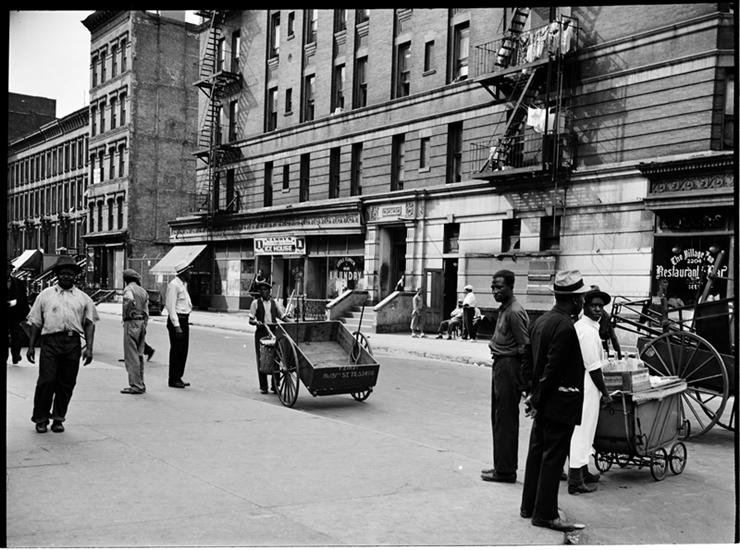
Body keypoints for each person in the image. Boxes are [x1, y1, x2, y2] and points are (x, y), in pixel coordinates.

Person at [520, 270, 588, 532]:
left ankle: (529, 506)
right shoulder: (565, 327)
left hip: (544, 401)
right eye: (581, 297)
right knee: (552, 459)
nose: (583, 301)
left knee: (537, 453)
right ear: (574, 299)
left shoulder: (541, 321)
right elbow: (553, 368)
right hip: (558, 403)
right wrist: (537, 399)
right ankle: (545, 514)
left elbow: (527, 359)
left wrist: (530, 394)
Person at [25, 256, 99, 434]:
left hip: (72, 343)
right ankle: (41, 419)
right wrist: (31, 346)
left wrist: (89, 348)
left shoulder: (83, 298)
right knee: (47, 381)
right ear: (57, 275)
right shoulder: (45, 295)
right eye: (63, 273)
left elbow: (89, 324)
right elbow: (36, 322)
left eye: (70, 274)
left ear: (75, 276)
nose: (66, 276)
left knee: (66, 383)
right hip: (50, 342)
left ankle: (58, 418)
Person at [482, 270, 531, 484]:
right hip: (501, 364)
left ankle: (505, 471)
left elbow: (525, 346)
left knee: (505, 419)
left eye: (499, 287)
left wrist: (525, 380)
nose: (495, 291)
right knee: (499, 418)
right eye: (493, 287)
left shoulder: (514, 312)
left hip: (510, 366)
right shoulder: (504, 309)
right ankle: (501, 466)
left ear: (511, 287)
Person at [568, 286, 613, 494]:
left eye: (601, 307)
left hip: (587, 386)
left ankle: (583, 470)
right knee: (582, 431)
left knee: (587, 431)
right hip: (586, 386)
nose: (598, 310)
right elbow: (593, 367)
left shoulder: (590, 327)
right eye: (594, 306)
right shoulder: (585, 330)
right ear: (584, 307)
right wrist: (605, 393)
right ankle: (575, 479)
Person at [249, 281, 289, 394]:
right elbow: (250, 320)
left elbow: (282, 316)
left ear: (269, 291)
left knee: (276, 358)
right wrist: (256, 322)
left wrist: (292, 322)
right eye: (261, 290)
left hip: (273, 332)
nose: (263, 292)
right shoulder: (255, 303)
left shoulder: (274, 303)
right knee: (262, 359)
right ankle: (263, 387)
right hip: (261, 333)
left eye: (265, 290)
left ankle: (275, 385)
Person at [120, 268, 149, 395]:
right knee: (139, 354)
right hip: (141, 322)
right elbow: (146, 311)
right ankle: (141, 383)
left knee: (131, 355)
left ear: (125, 280)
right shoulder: (142, 291)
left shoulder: (128, 289)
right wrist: (144, 324)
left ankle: (136, 385)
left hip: (131, 322)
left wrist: (127, 313)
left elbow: (129, 300)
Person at [165, 263, 193, 389]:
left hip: (184, 319)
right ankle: (173, 378)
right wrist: (176, 325)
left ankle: (178, 376)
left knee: (183, 350)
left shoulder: (182, 285)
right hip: (178, 320)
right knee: (177, 350)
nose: (190, 274)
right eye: (188, 272)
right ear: (183, 273)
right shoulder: (174, 285)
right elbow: (171, 307)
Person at [7, 259, 30, 365]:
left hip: (15, 314)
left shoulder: (18, 283)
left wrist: (25, 314)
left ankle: (16, 355)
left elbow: (23, 298)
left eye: (8, 269)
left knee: (16, 336)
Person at [590, 285, 622, 359]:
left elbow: (613, 338)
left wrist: (619, 357)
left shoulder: (606, 317)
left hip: (602, 351)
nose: (597, 309)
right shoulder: (582, 317)